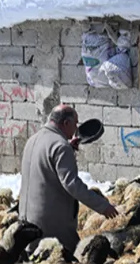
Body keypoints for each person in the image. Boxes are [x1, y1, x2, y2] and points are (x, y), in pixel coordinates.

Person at [19, 104, 118, 252]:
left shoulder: (32, 139)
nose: (76, 128)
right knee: (72, 257)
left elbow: (47, 166)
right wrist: (103, 206)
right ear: (66, 123)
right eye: (75, 123)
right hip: (51, 227)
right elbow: (72, 184)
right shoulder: (60, 146)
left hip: (28, 221)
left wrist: (68, 147)